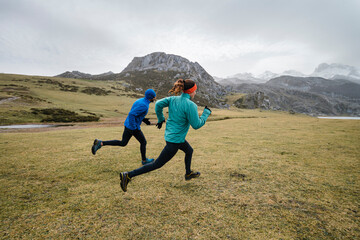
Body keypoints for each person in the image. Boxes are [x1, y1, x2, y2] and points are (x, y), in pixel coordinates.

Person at [119, 79, 212, 192]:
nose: (195, 93)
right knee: (157, 164)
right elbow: (196, 125)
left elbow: (158, 104)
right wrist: (206, 114)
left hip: (173, 136)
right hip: (175, 141)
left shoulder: (173, 99)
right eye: (195, 91)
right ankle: (128, 175)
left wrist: (161, 118)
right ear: (190, 91)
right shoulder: (190, 105)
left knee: (189, 150)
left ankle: (188, 173)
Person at [91, 89, 157, 165]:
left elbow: (136, 113)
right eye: (154, 97)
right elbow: (132, 114)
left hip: (128, 124)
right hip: (132, 127)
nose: (155, 98)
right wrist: (134, 127)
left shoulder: (140, 100)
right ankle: (144, 161)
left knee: (123, 143)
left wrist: (143, 120)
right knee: (143, 142)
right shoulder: (144, 105)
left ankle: (101, 143)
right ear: (151, 97)